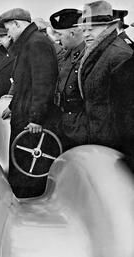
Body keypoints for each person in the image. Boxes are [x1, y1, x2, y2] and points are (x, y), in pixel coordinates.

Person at [0, 8, 59, 198]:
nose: (8, 34)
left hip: (30, 120)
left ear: (17, 24)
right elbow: (24, 82)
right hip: (23, 112)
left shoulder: (36, 43)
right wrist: (12, 106)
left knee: (27, 167)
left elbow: (43, 84)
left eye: (9, 29)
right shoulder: (30, 42)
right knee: (21, 162)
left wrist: (36, 119)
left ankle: (28, 204)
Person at [77, 1, 132, 148]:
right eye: (83, 30)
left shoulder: (119, 56)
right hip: (98, 138)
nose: (86, 34)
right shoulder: (97, 52)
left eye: (92, 29)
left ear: (109, 27)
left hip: (113, 144)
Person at [50, 8, 87, 150]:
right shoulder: (67, 55)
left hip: (78, 129)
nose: (57, 39)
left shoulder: (86, 57)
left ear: (72, 33)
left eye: (59, 34)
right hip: (63, 124)